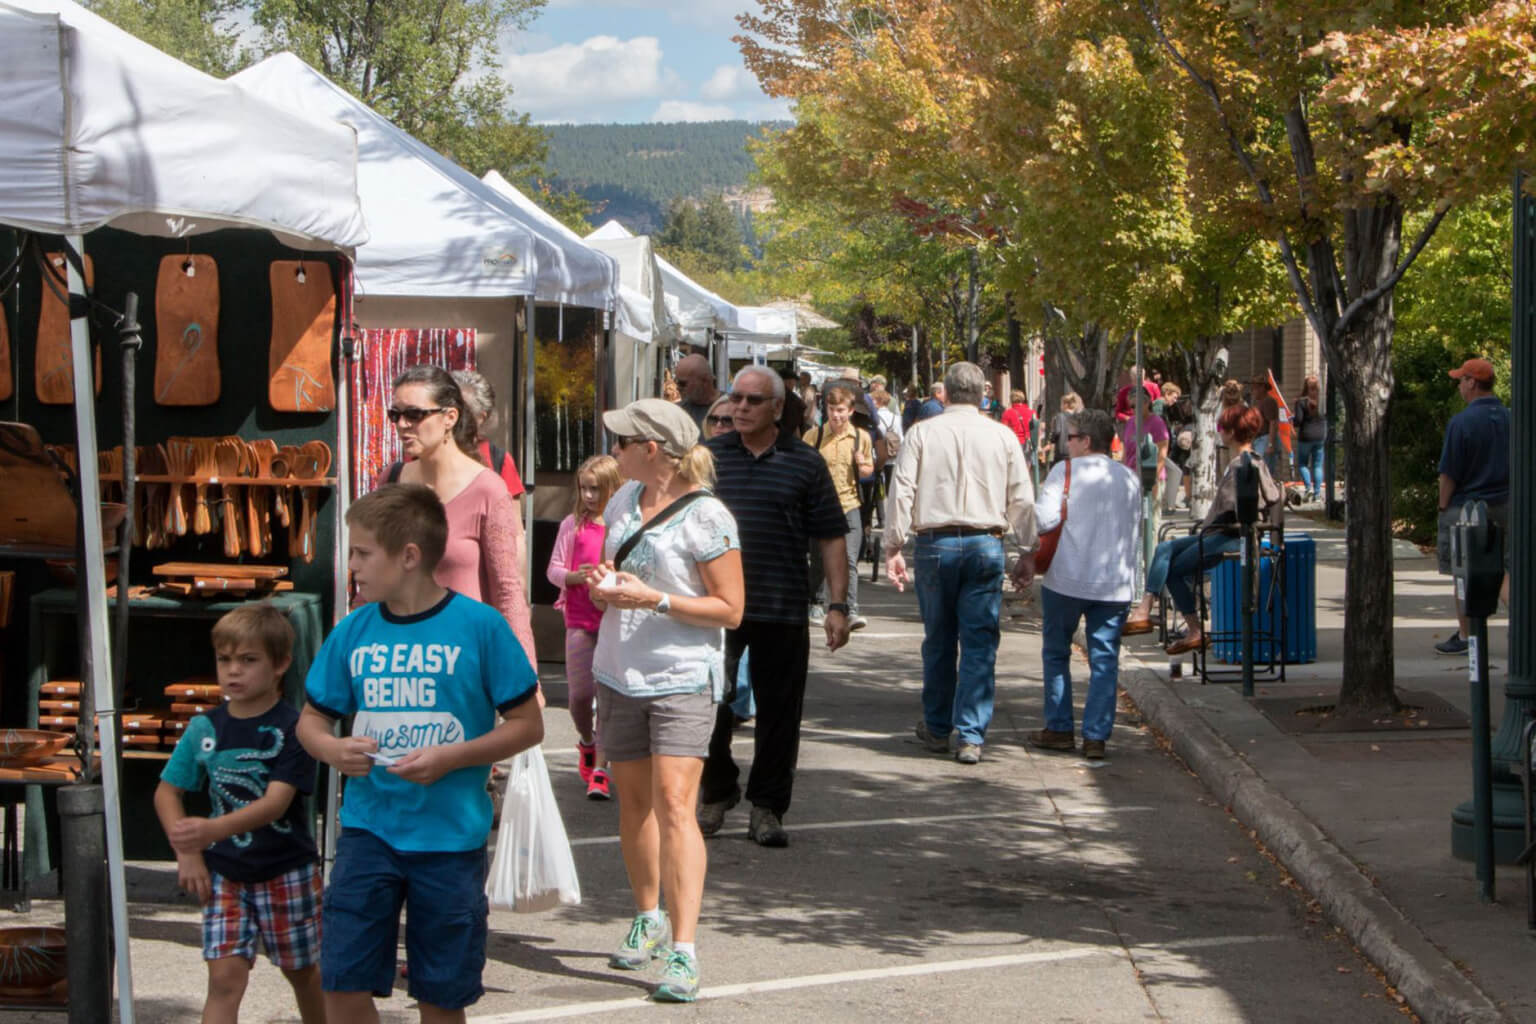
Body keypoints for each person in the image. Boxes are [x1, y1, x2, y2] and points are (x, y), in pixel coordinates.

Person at [299, 484, 543, 1023]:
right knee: (342, 983)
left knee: (440, 995)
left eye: (362, 553)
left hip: (451, 842)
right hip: (367, 834)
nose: (353, 565)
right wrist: (332, 749)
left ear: (409, 556)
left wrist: (452, 758)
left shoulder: (480, 628)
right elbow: (311, 721)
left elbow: (528, 725)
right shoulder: (353, 631)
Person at [584, 398, 744, 1003]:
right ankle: (647, 915)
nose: (613, 451)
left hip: (682, 677)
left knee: (677, 805)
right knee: (634, 806)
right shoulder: (624, 499)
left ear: (652, 449)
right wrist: (603, 585)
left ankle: (684, 950)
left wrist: (653, 601)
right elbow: (621, 569)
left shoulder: (708, 516)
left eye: (622, 442)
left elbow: (730, 609)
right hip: (619, 671)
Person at [699, 366, 851, 847]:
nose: (740, 408)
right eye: (736, 398)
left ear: (778, 409)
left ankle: (767, 807)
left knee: (779, 714)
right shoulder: (709, 459)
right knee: (709, 705)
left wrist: (838, 604)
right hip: (717, 607)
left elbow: (830, 538)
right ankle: (719, 789)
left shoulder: (805, 463)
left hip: (781, 606)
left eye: (752, 401)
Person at [154, 603, 323, 1024]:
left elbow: (274, 803)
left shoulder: (295, 728)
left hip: (288, 871)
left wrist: (208, 830)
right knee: (225, 979)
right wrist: (188, 853)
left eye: (248, 660)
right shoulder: (204, 728)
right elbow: (166, 792)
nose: (233, 671)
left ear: (281, 663)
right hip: (224, 874)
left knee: (304, 973)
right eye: (224, 659)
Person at [884, 362, 1036, 764]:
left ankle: (937, 728)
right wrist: (1028, 550)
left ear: (945, 394)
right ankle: (970, 734)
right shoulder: (1002, 436)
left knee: (938, 639)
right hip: (986, 543)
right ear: (983, 395)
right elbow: (1021, 496)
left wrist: (893, 546)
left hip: (936, 544)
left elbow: (901, 492)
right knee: (979, 643)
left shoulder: (921, 433)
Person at [382, 366, 537, 666]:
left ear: (450, 417)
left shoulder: (487, 488)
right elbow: (373, 575)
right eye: (395, 414)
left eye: (414, 414)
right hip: (396, 660)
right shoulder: (391, 479)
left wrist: (524, 676)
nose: (402, 425)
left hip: (464, 661)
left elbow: (507, 591)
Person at [1019, 409, 1141, 759]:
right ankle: (1096, 736)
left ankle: (1059, 727)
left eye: (1069, 438)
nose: (1065, 444)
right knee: (1105, 659)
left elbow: (1044, 518)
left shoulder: (1065, 471)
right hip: (1114, 584)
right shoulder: (1128, 477)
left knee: (1056, 653)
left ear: (1086, 441)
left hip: (1067, 578)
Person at [1122, 405, 1282, 654]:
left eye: (1222, 428)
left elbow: (1240, 508)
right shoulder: (1243, 461)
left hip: (1229, 536)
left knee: (1173, 569)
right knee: (1165, 548)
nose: (1219, 432)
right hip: (1219, 533)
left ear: (1230, 432)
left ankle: (1178, 623)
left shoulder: (1243, 465)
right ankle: (1148, 610)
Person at [546, 454, 623, 800]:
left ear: (612, 488)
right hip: (578, 618)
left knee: (607, 696)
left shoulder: (621, 527)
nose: (590, 496)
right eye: (584, 489)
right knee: (580, 696)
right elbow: (553, 569)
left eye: (596, 489)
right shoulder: (572, 525)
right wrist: (573, 577)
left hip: (612, 620)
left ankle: (601, 770)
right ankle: (587, 742)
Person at [1435, 357, 1511, 655]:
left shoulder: (1461, 422)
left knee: (1463, 572)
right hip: (1505, 503)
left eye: (1461, 380)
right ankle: (1521, 626)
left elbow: (1449, 473)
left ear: (1472, 383)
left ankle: (1467, 636)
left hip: (1467, 506)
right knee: (1506, 570)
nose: (1458, 386)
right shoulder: (1509, 417)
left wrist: (1443, 506)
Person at [804, 381, 875, 631]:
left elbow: (869, 470)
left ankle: (850, 608)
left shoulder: (860, 437)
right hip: (821, 507)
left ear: (850, 411)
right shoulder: (814, 436)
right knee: (820, 559)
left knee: (849, 559)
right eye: (832, 409)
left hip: (849, 504)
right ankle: (816, 602)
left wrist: (861, 465)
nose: (836, 415)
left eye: (841, 410)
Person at [450, 369, 527, 501]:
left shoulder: (499, 460)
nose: (452, 416)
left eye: (462, 410)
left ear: (481, 417)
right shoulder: (428, 453)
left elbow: (513, 519)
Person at [1292, 375, 1327, 502]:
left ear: (1305, 388)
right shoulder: (1323, 401)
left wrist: (1292, 419)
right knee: (1318, 465)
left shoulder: (1301, 402)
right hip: (1320, 436)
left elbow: (1298, 421)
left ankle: (1308, 487)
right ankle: (1317, 494)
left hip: (1306, 436)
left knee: (1302, 464)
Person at [673, 353, 720, 432]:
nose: (678, 387)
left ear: (704, 381)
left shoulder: (731, 407)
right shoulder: (677, 411)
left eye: (682, 383)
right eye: (676, 382)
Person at [1043, 392, 1082, 466]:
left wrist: (1051, 440)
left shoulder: (1060, 416)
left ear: (1066, 404)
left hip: (1062, 451)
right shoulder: (1078, 417)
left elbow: (1057, 432)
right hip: (1075, 451)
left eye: (1061, 404)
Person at [1002, 389, 1034, 459]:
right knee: (1026, 467)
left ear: (1011, 399)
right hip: (1028, 444)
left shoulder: (1007, 413)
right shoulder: (1031, 412)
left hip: (1014, 444)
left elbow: (1004, 430)